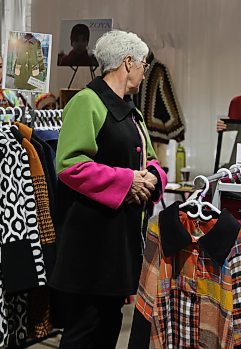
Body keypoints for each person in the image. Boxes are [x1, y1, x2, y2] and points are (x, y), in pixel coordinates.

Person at [49, 30, 167, 348]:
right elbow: (71, 166)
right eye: (143, 63)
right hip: (89, 245)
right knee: (85, 331)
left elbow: (151, 160)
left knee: (108, 326)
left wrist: (152, 178)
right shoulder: (86, 102)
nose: (144, 71)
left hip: (118, 243)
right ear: (128, 62)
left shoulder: (131, 111)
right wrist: (129, 180)